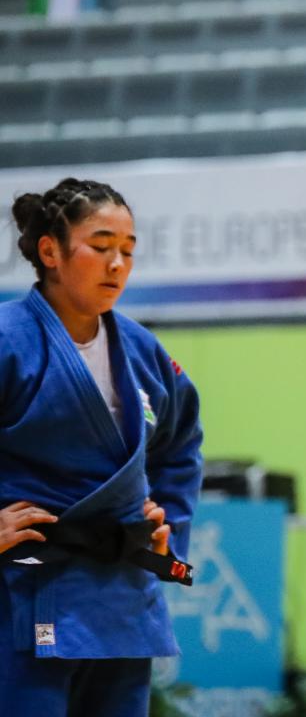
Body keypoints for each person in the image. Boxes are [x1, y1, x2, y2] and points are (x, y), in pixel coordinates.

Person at [0, 178, 204, 717]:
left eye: (128, 251)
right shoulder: (7, 340)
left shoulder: (143, 351)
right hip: (28, 580)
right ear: (51, 251)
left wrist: (167, 545)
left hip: (123, 591)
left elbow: (180, 446)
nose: (117, 264)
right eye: (101, 245)